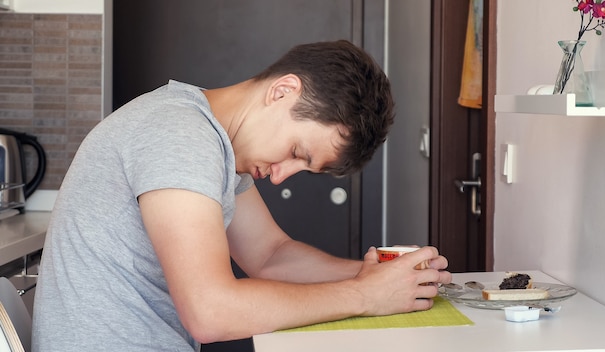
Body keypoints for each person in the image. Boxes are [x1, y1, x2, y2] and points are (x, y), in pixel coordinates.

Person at [32, 40, 452, 351]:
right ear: (283, 91)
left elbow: (271, 256)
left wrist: (372, 276)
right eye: (295, 153)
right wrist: (365, 297)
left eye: (304, 167)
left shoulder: (213, 144)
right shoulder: (178, 134)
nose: (282, 176)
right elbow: (209, 312)